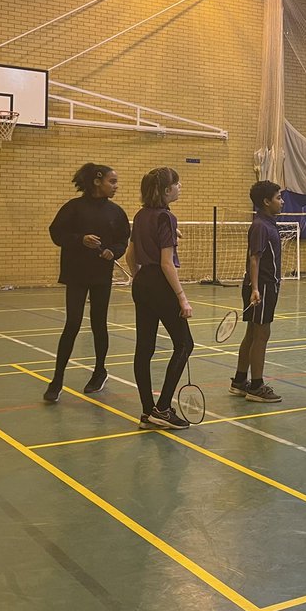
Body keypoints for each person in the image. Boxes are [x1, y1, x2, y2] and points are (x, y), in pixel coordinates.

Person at [45, 163, 130, 403]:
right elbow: (56, 233)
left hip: (101, 275)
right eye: (112, 182)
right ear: (97, 181)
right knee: (72, 323)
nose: (116, 186)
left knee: (98, 323)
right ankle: (57, 379)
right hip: (76, 274)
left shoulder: (116, 212)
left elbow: (123, 240)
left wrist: (113, 252)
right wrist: (80, 239)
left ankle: (99, 371)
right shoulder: (73, 208)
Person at [125, 167, 193, 429]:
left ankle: (147, 412)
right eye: (177, 183)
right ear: (167, 191)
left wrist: (141, 278)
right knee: (185, 343)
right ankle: (163, 408)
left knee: (145, 348)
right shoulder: (166, 218)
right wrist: (182, 298)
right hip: (160, 284)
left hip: (142, 283)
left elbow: (130, 256)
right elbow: (167, 263)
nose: (180, 186)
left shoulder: (141, 215)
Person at [228, 181, 285, 404]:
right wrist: (255, 288)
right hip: (262, 286)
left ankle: (240, 381)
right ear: (266, 201)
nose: (282, 201)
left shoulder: (268, 224)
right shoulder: (261, 226)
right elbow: (254, 258)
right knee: (262, 334)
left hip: (263, 286)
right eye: (278, 197)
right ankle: (257, 385)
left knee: (252, 333)